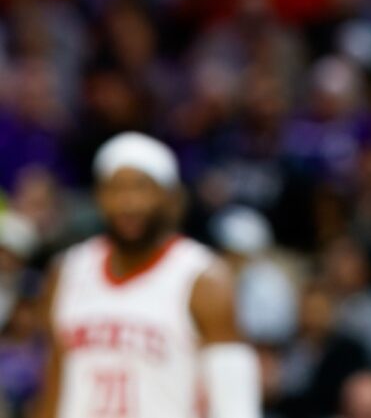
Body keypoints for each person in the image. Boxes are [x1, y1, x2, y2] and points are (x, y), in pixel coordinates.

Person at [30, 131, 260, 418]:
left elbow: (236, 406)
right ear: (99, 197)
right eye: (116, 188)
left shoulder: (203, 278)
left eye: (141, 188)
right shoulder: (67, 270)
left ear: (172, 198)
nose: (128, 203)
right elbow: (54, 386)